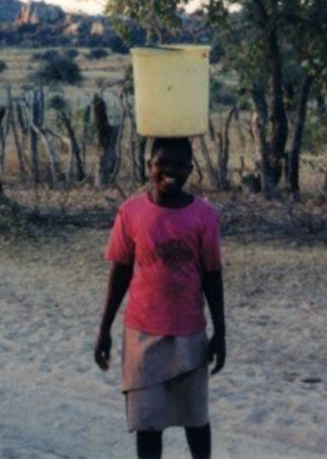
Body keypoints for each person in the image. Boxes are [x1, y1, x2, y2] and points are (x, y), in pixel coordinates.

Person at [94, 137, 226, 459]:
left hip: (189, 333)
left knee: (195, 420)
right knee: (148, 425)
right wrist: (104, 329)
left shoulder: (204, 215)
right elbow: (121, 272)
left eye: (180, 164)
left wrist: (220, 332)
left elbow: (212, 275)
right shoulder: (131, 212)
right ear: (149, 166)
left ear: (191, 169)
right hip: (141, 333)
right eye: (162, 163)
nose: (171, 171)